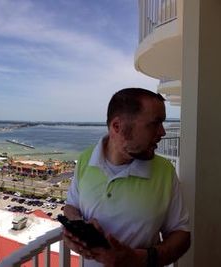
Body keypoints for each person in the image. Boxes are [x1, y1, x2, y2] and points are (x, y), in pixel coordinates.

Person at [62, 88, 191, 267]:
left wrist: (141, 259)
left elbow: (182, 235)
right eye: (155, 123)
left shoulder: (165, 172)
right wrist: (75, 229)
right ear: (117, 127)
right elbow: (71, 206)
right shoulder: (86, 159)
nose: (162, 132)